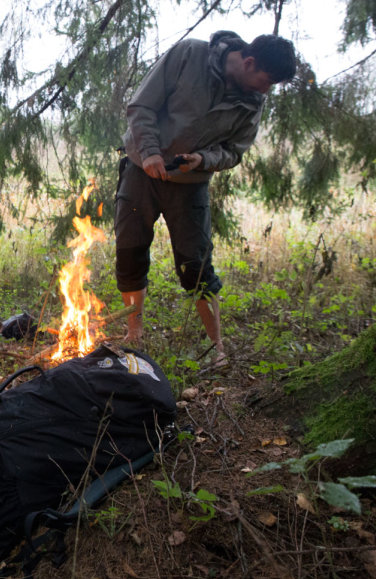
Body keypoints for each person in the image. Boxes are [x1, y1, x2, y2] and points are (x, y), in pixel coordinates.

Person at [114, 31, 296, 364]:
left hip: (190, 185)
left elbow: (234, 151)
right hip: (141, 170)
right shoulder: (189, 55)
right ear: (249, 61)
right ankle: (134, 333)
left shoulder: (253, 101)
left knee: (196, 265)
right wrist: (151, 152)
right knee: (130, 251)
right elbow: (141, 105)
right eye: (266, 80)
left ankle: (216, 347)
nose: (266, 90)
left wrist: (203, 160)